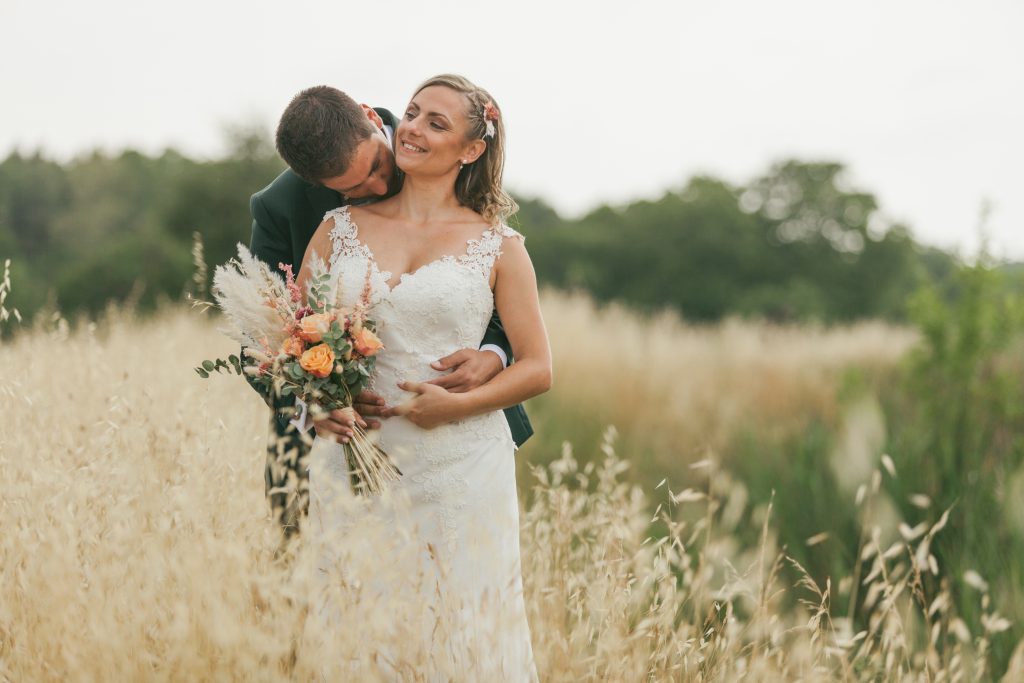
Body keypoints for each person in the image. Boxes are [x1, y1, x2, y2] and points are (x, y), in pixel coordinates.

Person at [296, 74, 547, 680]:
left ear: (470, 149)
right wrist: (313, 403)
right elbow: (296, 338)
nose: (411, 128)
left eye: (437, 122)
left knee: (460, 631)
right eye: (411, 113)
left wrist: (454, 409)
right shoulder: (338, 228)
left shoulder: (498, 246)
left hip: (461, 467)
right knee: (355, 626)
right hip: (356, 460)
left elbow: (539, 367)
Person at [248, 86, 532, 539]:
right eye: (352, 189)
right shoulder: (282, 208)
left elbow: (480, 276)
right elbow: (262, 335)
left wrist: (495, 352)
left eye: (378, 168)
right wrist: (317, 402)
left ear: (369, 117)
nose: (378, 187)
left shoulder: (440, 142)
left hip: (456, 445)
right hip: (334, 447)